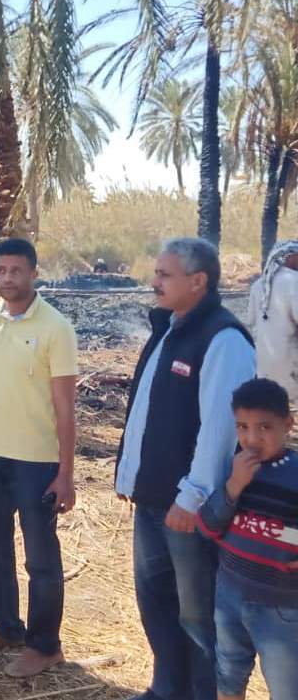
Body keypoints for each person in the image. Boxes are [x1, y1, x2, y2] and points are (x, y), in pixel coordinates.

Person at [116, 237, 255, 700]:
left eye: (165, 275)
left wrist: (192, 498)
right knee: (156, 604)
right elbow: (147, 412)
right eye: (156, 272)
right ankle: (166, 690)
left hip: (188, 512)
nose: (154, 282)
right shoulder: (168, 329)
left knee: (198, 617)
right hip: (152, 502)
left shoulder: (223, 339)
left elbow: (219, 428)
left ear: (198, 281)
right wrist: (129, 476)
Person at [0, 237, 78, 678]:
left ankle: (45, 645)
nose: (7, 278)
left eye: (16, 271)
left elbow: (65, 408)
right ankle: (7, 627)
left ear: (33, 273)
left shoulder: (56, 328)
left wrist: (66, 474)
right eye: (1, 270)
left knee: (40, 558)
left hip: (36, 464)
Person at [197, 378, 298, 700]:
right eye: (242, 427)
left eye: (264, 427)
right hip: (230, 596)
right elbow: (207, 527)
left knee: (286, 685)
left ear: (288, 425)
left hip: (281, 607)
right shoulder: (235, 468)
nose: (252, 439)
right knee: (228, 676)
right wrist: (233, 486)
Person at [246, 240, 298, 401]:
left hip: (265, 366)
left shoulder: (257, 285)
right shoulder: (295, 281)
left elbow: (251, 319)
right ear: (289, 257)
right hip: (291, 363)